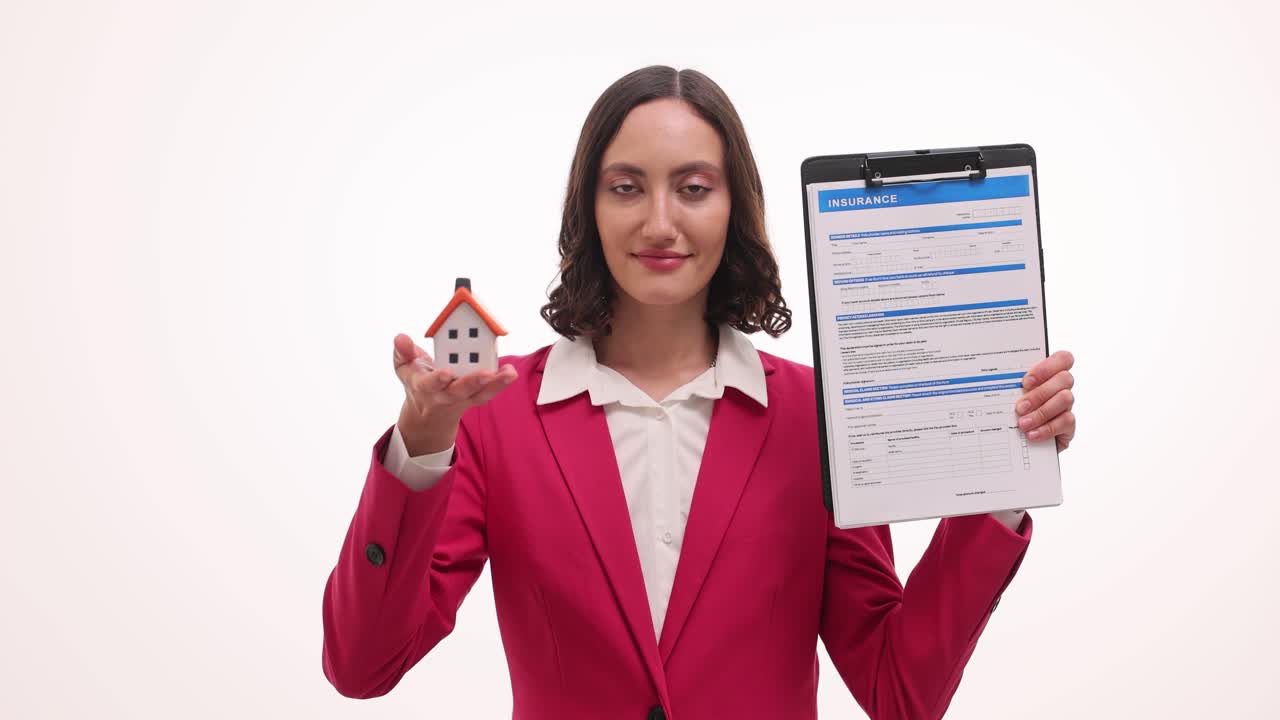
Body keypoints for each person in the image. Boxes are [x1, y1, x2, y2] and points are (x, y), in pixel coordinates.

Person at [321, 66, 1077, 719]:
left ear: (734, 208)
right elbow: (362, 666)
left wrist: (1002, 469)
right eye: (626, 188)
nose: (660, 223)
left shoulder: (816, 419)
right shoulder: (497, 417)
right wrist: (421, 445)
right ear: (588, 207)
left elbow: (898, 691)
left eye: (692, 188)